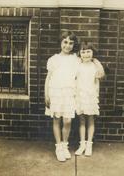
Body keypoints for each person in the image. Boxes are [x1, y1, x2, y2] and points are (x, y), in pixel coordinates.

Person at [45, 31, 79, 162]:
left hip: (69, 93)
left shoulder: (76, 59)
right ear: (60, 42)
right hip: (56, 92)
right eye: (65, 42)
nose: (68, 45)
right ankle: (58, 147)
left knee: (67, 120)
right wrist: (46, 94)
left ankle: (65, 145)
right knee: (56, 119)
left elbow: (90, 59)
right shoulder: (53, 59)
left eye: (71, 43)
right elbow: (48, 78)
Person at [75, 41, 105, 157]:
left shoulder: (94, 65)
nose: (86, 54)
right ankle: (82, 144)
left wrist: (96, 62)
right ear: (79, 53)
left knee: (91, 120)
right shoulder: (78, 65)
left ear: (92, 53)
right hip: (80, 95)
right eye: (83, 52)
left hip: (91, 96)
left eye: (88, 51)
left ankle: (89, 144)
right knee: (81, 121)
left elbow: (100, 75)